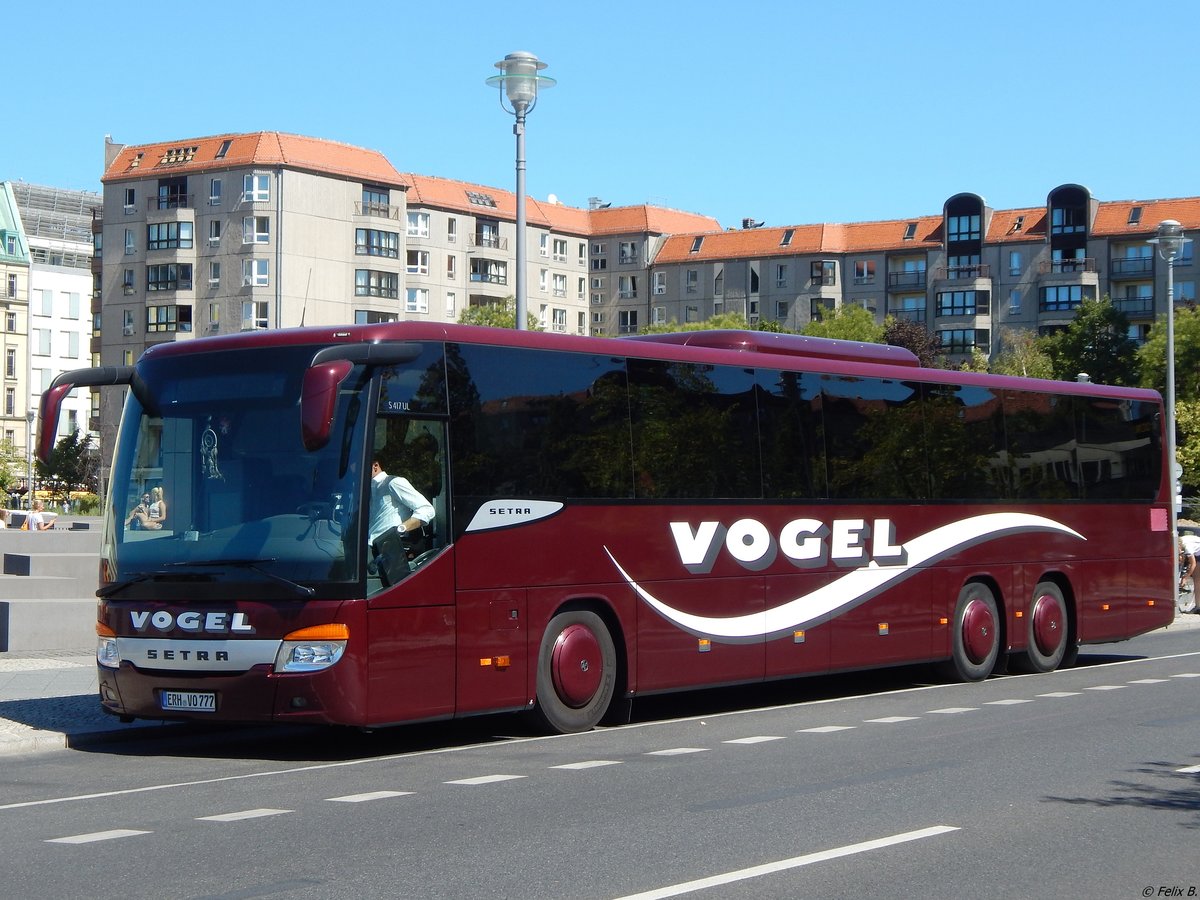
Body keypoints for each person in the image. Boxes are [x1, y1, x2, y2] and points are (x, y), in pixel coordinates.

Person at [368, 458, 434, 584]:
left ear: (375, 465)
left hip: (391, 550)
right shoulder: (367, 490)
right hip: (372, 550)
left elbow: (427, 509)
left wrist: (400, 529)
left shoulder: (393, 483)